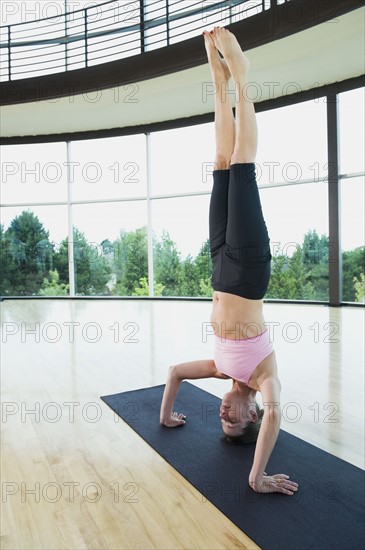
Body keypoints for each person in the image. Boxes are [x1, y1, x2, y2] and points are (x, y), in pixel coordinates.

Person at [159, 27, 298, 496]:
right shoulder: (263, 377)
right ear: (252, 414)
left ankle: (219, 80)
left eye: (225, 423)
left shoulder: (221, 368)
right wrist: (256, 476)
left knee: (220, 161)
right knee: (242, 162)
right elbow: (277, 415)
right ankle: (243, 76)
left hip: (219, 267)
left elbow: (176, 372)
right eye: (236, 423)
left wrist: (166, 416)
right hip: (249, 268)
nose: (226, 417)